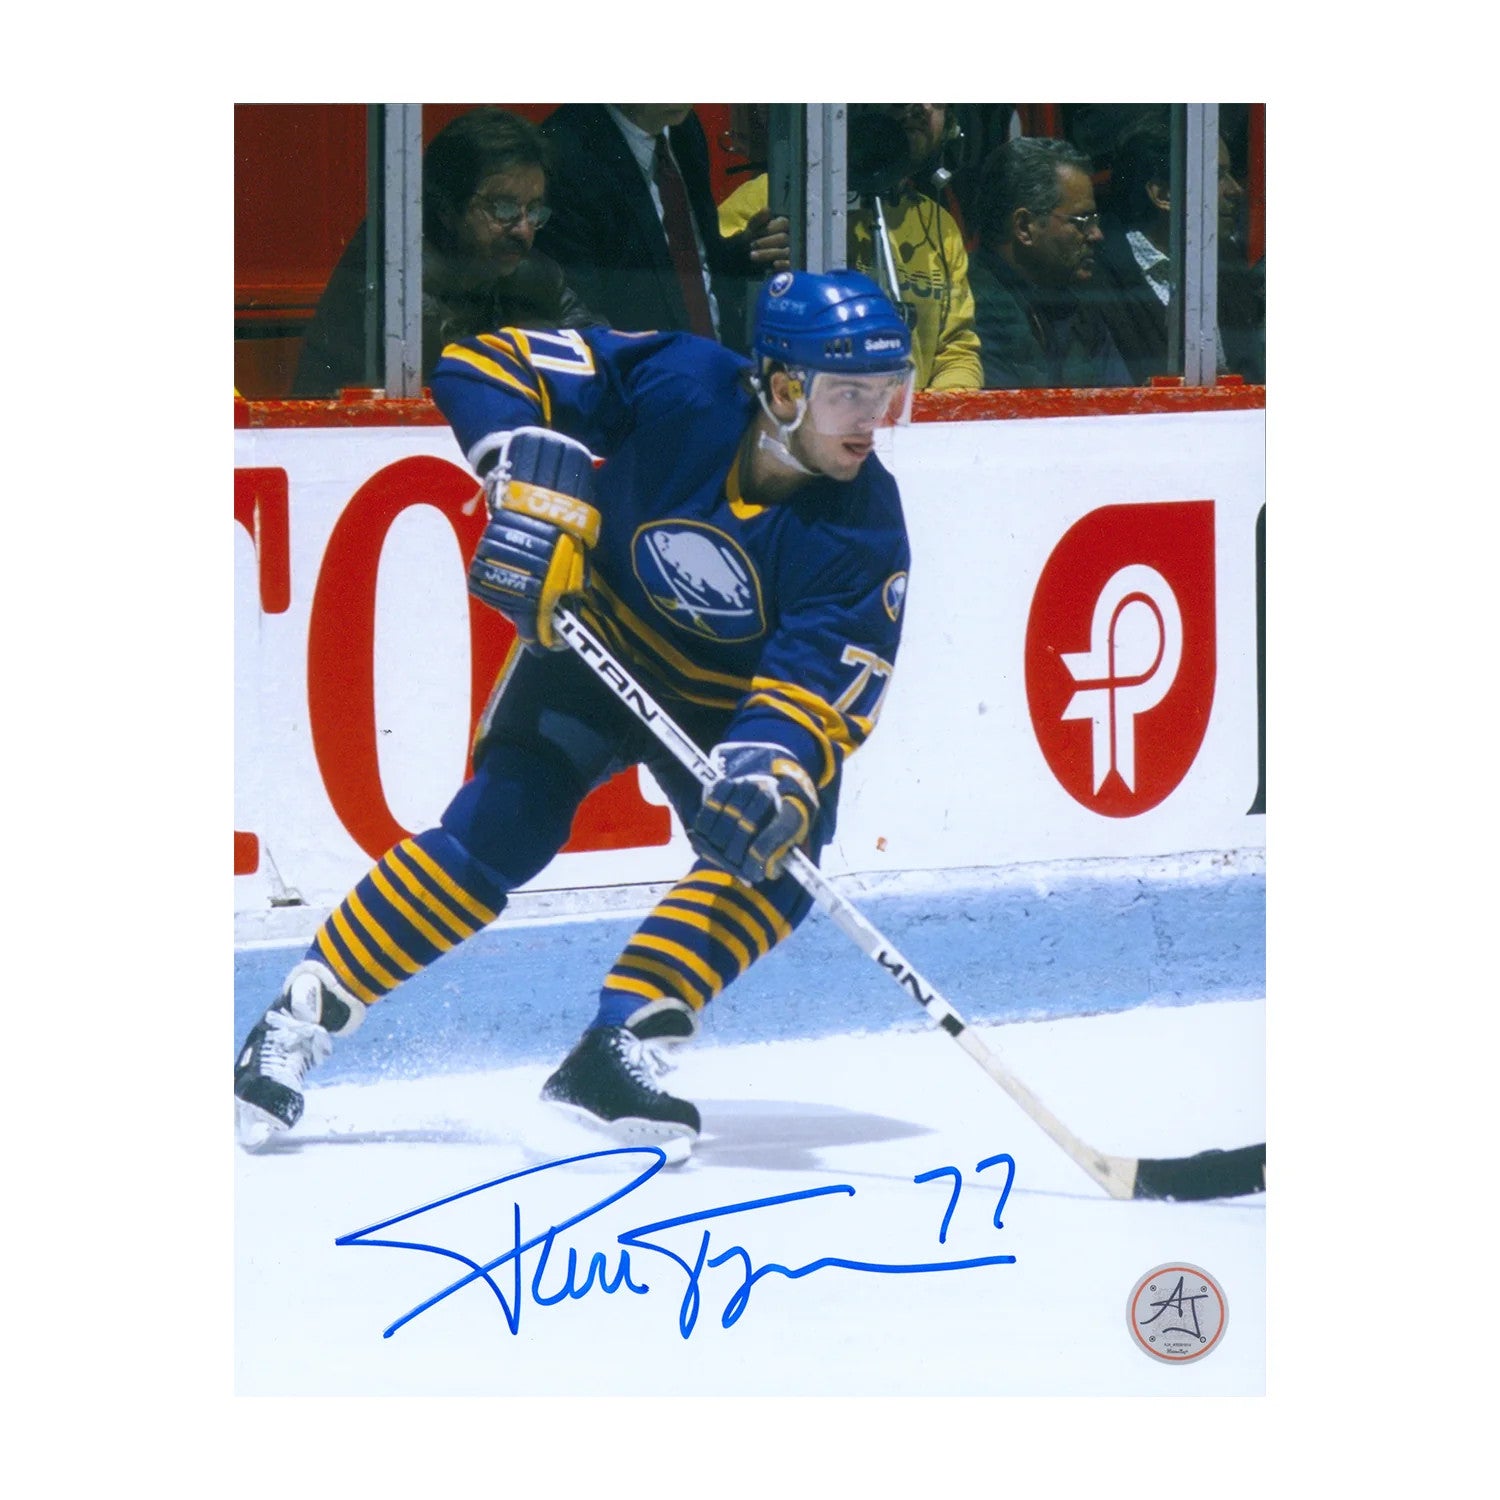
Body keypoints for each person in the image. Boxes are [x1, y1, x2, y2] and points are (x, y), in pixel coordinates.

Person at [234, 270, 916, 1158]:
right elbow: (483, 363)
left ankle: (615, 1049)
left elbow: (814, 686)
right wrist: (515, 464)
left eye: (886, 392)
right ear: (784, 390)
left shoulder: (866, 527)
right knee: (500, 828)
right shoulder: (683, 383)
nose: (872, 419)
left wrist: (768, 768)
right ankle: (296, 1020)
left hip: (726, 710)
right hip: (595, 649)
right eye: (848, 394)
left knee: (774, 855)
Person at [292, 108, 597, 397]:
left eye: (534, 211)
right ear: (446, 209)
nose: (524, 231)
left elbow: (599, 354)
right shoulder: (394, 287)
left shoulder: (533, 275)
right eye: (503, 208)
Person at [717, 109, 981, 392]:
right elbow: (710, 310)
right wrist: (745, 260)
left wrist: (932, 414)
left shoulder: (940, 226)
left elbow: (957, 351)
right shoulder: (769, 198)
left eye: (936, 100)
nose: (922, 107)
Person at [533, 104, 788, 352]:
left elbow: (694, 264)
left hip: (717, 357)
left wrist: (749, 250)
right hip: (644, 368)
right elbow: (585, 317)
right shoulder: (562, 153)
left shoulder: (682, 126)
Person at [1089, 113, 1264, 383]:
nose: (1235, 190)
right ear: (1163, 195)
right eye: (1216, 176)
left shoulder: (1227, 262)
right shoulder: (1099, 280)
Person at [966, 136, 1132, 389]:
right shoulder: (970, 307)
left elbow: (1120, 399)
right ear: (1024, 226)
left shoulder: (1077, 306)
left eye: (1095, 220)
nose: (1097, 234)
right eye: (1082, 220)